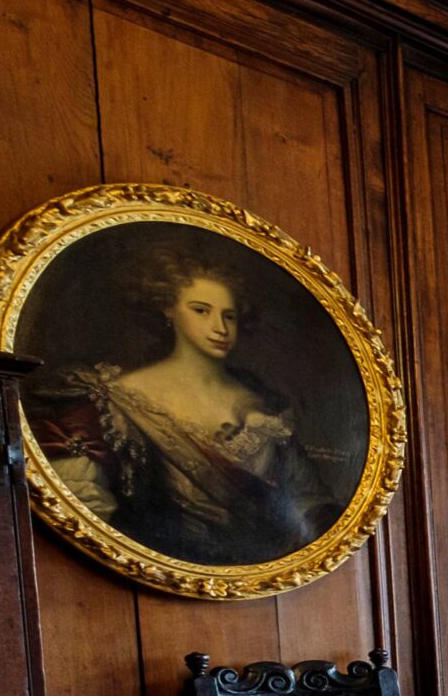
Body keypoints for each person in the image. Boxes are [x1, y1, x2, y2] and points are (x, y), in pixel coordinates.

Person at [29, 239, 343, 566]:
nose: (220, 328)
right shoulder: (114, 397)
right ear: (168, 309)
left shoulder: (265, 406)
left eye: (229, 316)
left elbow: (308, 502)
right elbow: (80, 505)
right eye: (201, 311)